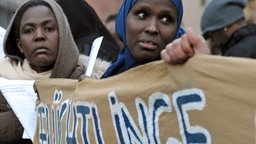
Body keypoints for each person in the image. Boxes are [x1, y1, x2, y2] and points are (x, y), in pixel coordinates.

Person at [0, 0, 110, 143]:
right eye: (29, 30)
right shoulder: (3, 79)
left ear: (63, 36)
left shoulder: (95, 79)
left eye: (49, 28)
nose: (39, 36)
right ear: (20, 45)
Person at [101, 0, 185, 78]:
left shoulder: (189, 80)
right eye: (142, 15)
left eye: (165, 20)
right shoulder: (105, 82)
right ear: (123, 19)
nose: (152, 28)